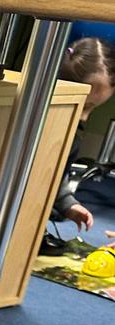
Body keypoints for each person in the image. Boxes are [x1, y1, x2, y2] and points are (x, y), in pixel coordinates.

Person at [50, 37, 115, 232]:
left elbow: (54, 177)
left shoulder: (72, 137)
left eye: (93, 108)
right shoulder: (46, 130)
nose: (85, 117)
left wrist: (67, 203)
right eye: (84, 106)